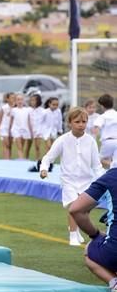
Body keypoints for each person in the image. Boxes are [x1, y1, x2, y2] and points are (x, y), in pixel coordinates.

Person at [41, 107, 102, 246]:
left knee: (84, 210)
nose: (81, 124)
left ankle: (77, 230)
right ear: (69, 123)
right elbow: (48, 157)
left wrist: (101, 180)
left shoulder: (91, 141)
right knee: (74, 207)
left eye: (84, 121)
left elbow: (96, 165)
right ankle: (73, 235)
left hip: (87, 181)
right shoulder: (62, 140)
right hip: (68, 180)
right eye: (77, 121)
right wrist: (44, 169)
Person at [68, 167, 117, 292]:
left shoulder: (112, 176)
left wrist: (94, 234)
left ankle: (114, 284)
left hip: (114, 251)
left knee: (90, 250)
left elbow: (76, 209)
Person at [93, 94, 117, 168]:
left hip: (107, 142)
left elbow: (96, 128)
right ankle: (113, 166)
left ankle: (112, 166)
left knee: (99, 160)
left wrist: (94, 139)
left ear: (102, 106)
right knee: (114, 160)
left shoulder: (103, 116)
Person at [9, 94, 31, 159]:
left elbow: (29, 121)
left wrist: (30, 131)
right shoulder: (13, 110)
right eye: (18, 100)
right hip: (16, 130)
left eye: (21, 99)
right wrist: (10, 130)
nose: (20, 101)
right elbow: (11, 121)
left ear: (23, 101)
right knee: (19, 147)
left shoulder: (27, 110)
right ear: (16, 101)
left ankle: (20, 158)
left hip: (24, 130)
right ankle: (21, 160)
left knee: (22, 146)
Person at [28, 94, 45, 161]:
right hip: (32, 130)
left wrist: (41, 130)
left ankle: (39, 159)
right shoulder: (30, 110)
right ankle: (34, 158)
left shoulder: (42, 111)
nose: (32, 102)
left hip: (39, 131)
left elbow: (43, 121)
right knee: (32, 146)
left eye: (33, 100)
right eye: (31, 100)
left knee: (38, 146)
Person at [0, 93, 15, 159]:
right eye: (11, 97)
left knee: (10, 145)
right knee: (6, 144)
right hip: (4, 128)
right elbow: (0, 118)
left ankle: (9, 159)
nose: (13, 99)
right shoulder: (4, 107)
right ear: (7, 99)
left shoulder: (16, 107)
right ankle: (6, 160)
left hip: (12, 129)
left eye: (14, 98)